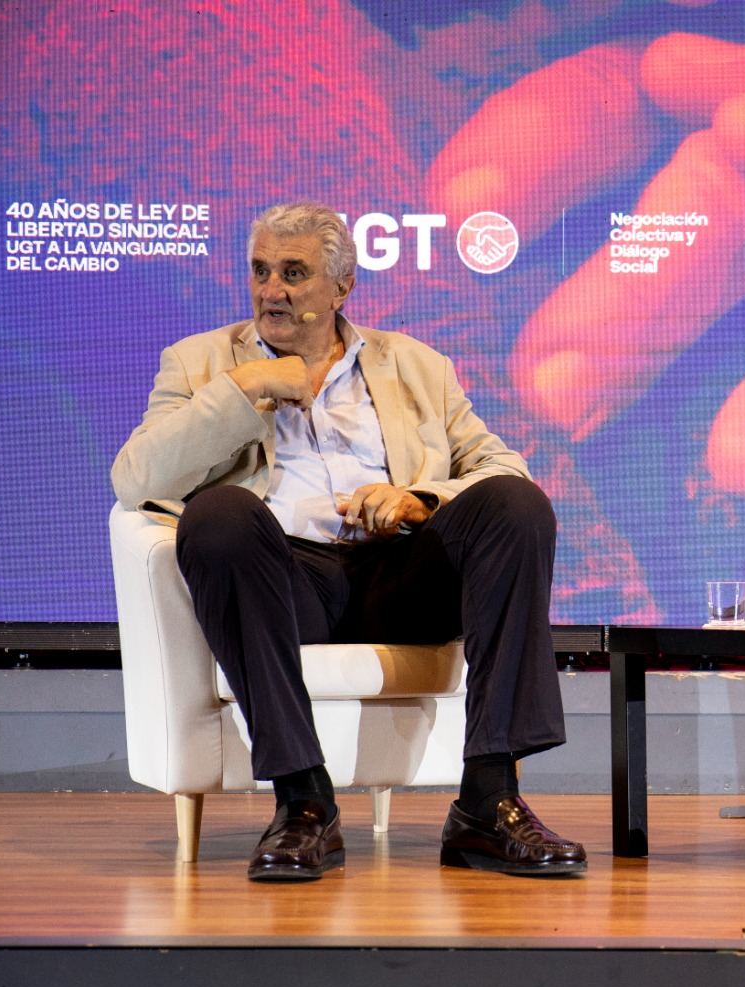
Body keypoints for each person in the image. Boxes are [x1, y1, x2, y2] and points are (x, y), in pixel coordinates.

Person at [111, 201, 586, 882]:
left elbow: (501, 465)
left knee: (515, 505)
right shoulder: (200, 364)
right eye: (260, 271)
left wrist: (419, 500)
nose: (271, 290)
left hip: (399, 573)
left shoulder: (416, 366)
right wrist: (246, 388)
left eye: (294, 273)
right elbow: (135, 479)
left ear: (341, 286)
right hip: (286, 579)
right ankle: (304, 803)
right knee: (218, 515)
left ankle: (489, 799)